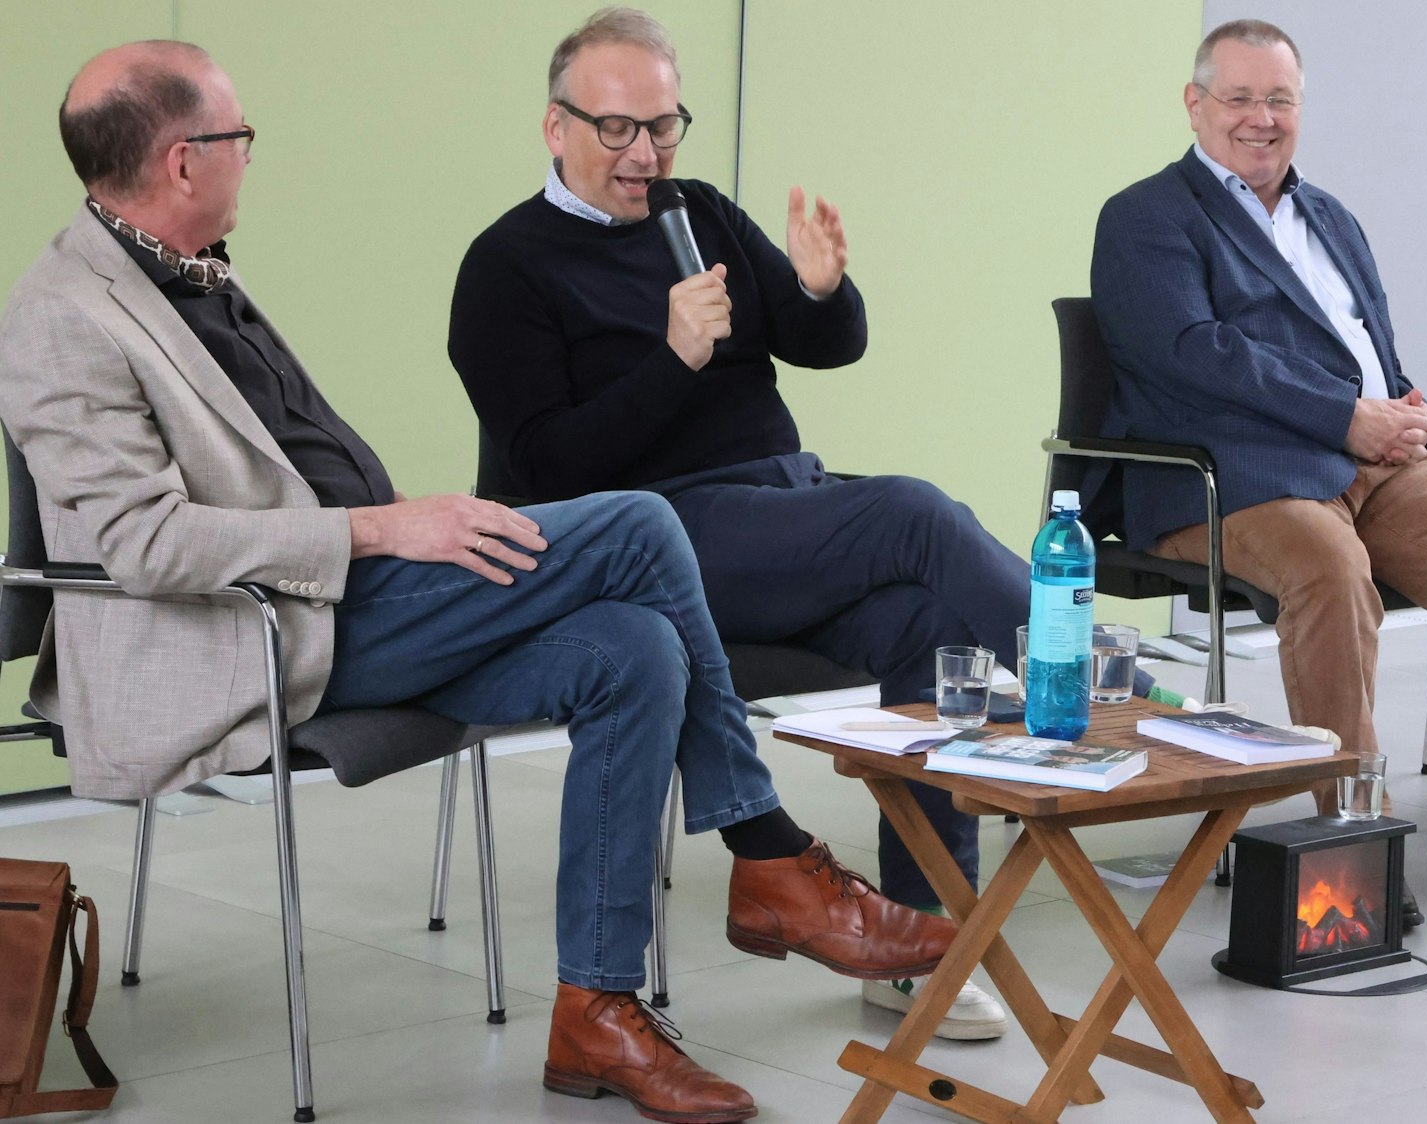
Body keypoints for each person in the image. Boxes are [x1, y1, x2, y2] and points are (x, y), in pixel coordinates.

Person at [0, 40, 961, 1123]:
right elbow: (142, 543)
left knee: (635, 651)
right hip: (262, 630)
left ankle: (596, 1010)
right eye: (241, 138)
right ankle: (768, 851)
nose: (250, 159)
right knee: (641, 525)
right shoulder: (62, 317)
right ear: (183, 161)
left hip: (352, 588)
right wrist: (381, 528)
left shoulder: (193, 268)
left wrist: (400, 532)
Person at [445, 6, 1173, 1036]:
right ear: (554, 126)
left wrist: (825, 289)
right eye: (616, 129)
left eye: (662, 125)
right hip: (654, 537)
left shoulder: (694, 209)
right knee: (915, 513)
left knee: (933, 622)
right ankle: (1124, 688)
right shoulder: (505, 266)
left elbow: (824, 341)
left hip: (777, 510)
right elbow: (545, 470)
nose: (644, 153)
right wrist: (671, 361)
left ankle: (919, 942)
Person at [1090, 19, 1427, 917]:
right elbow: (1195, 352)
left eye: (1280, 100)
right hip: (1234, 473)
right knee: (1332, 574)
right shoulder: (1146, 216)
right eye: (1240, 98)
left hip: (1373, 462)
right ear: (1195, 104)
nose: (1261, 118)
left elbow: (1365, 346)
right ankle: (1352, 834)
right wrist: (1347, 415)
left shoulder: (1330, 215)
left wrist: (1405, 408)